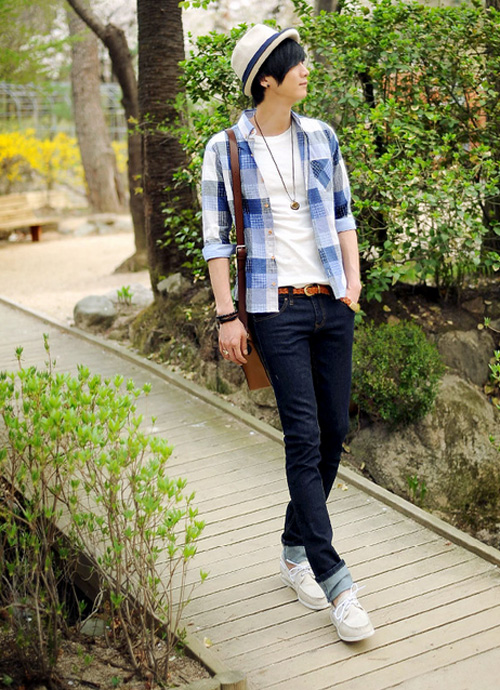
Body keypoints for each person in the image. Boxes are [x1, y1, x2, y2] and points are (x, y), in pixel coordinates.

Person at [201, 23, 374, 643]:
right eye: (295, 63)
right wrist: (227, 315)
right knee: (303, 437)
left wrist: (353, 283)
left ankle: (294, 548)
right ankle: (337, 582)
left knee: (334, 433)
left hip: (331, 302)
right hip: (274, 310)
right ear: (266, 80)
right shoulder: (224, 148)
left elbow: (343, 213)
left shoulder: (321, 136)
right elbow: (217, 238)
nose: (306, 70)